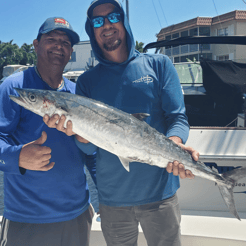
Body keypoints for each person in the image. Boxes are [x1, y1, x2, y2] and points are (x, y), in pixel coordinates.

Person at [44, 1, 199, 245]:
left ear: (124, 21)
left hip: (161, 193)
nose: (106, 25)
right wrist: (80, 134)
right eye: (97, 21)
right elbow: (89, 149)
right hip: (113, 199)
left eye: (113, 17)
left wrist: (175, 144)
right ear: (91, 30)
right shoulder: (87, 82)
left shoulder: (158, 65)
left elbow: (177, 118)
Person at [0, 17, 96, 246]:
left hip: (77, 213)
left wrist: (104, 197)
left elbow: (91, 152)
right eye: (51, 39)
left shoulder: (78, 93)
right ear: (36, 45)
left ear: (70, 51)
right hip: (28, 219)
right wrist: (17, 157)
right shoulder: (14, 87)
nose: (58, 46)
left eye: (65, 42)